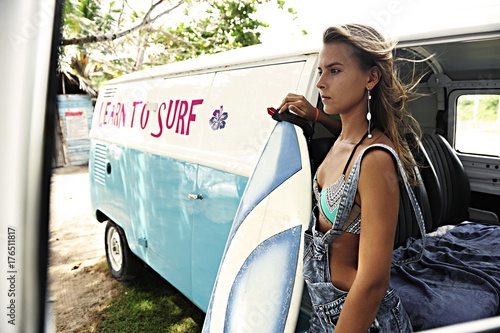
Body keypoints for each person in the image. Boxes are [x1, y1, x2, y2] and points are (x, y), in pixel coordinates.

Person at [278, 24, 424, 332]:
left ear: (371, 78)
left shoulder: (375, 160)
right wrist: (315, 117)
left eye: (334, 71)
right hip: (323, 307)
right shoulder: (345, 139)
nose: (320, 83)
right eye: (320, 71)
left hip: (360, 317)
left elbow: (372, 282)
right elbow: (345, 136)